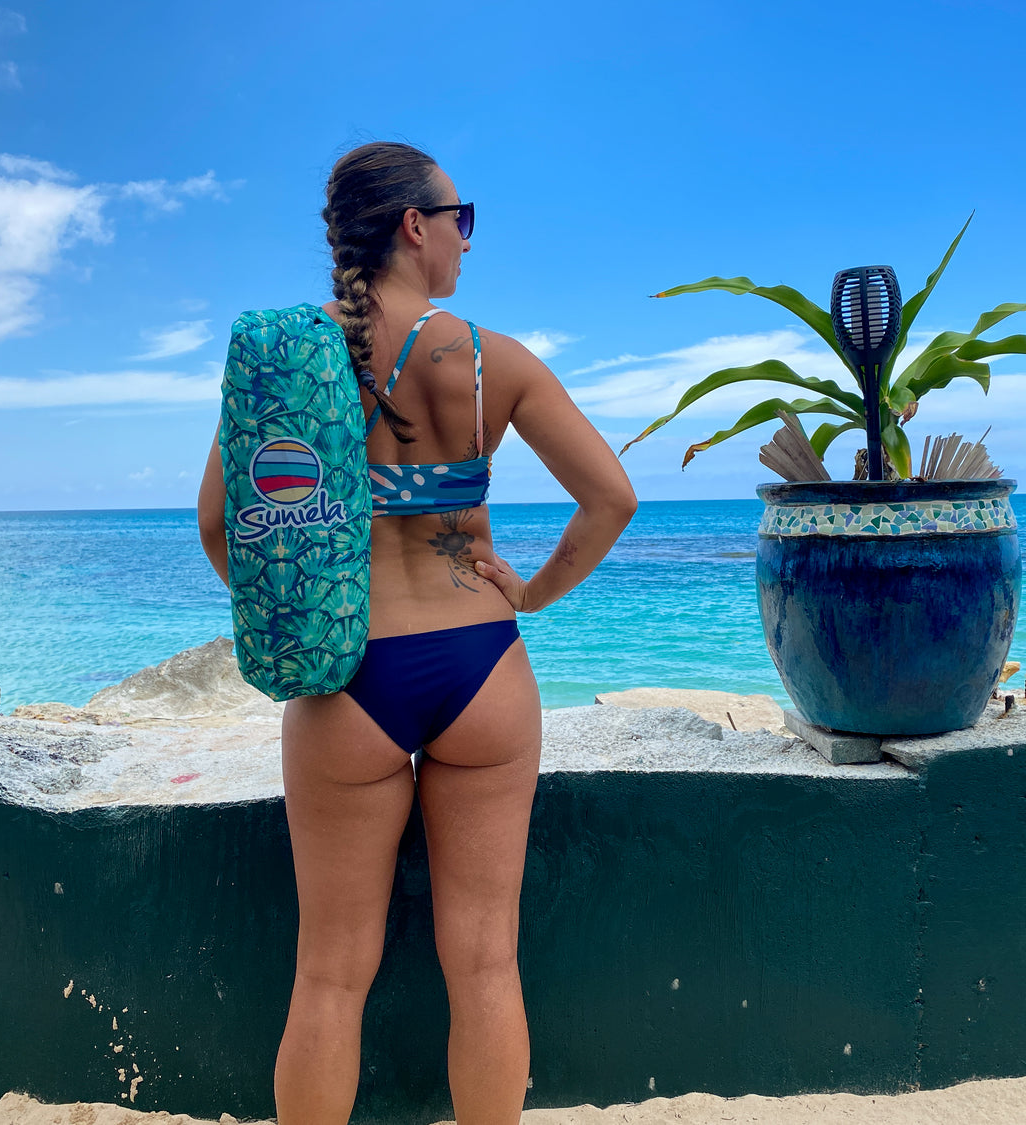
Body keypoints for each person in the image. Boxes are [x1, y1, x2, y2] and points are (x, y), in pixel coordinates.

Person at [197, 141, 638, 1125]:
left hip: (346, 671)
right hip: (479, 665)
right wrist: (531, 596)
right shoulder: (492, 360)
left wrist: (296, 603)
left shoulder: (287, 360)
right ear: (413, 225)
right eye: (460, 220)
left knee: (328, 979)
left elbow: (221, 526)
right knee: (484, 962)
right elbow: (610, 498)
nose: (465, 243)